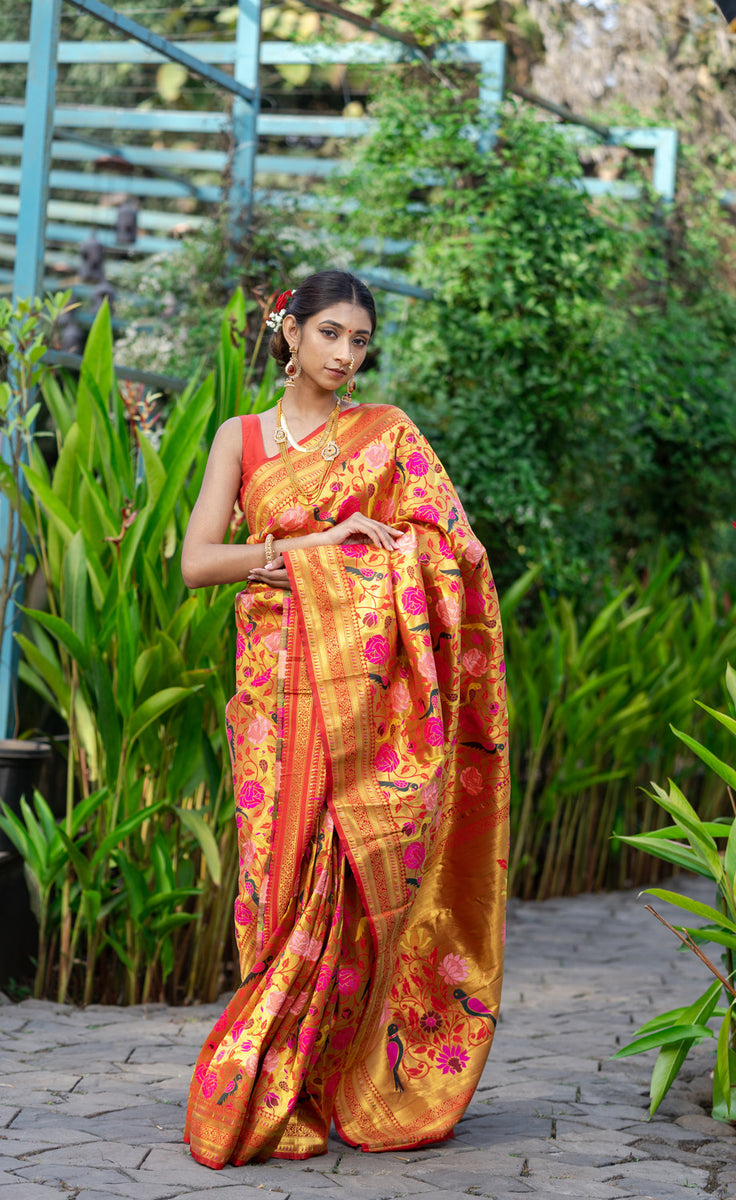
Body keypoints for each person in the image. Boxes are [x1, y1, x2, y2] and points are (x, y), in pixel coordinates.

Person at [181, 269, 509, 1168]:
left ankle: (332, 1081)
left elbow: (454, 553)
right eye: (328, 333)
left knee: (357, 887)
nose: (344, 355)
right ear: (286, 332)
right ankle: (271, 1080)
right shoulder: (239, 439)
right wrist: (312, 549)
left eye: (359, 340)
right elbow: (198, 562)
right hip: (271, 700)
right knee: (275, 889)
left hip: (366, 708)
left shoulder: (389, 436)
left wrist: (385, 562)